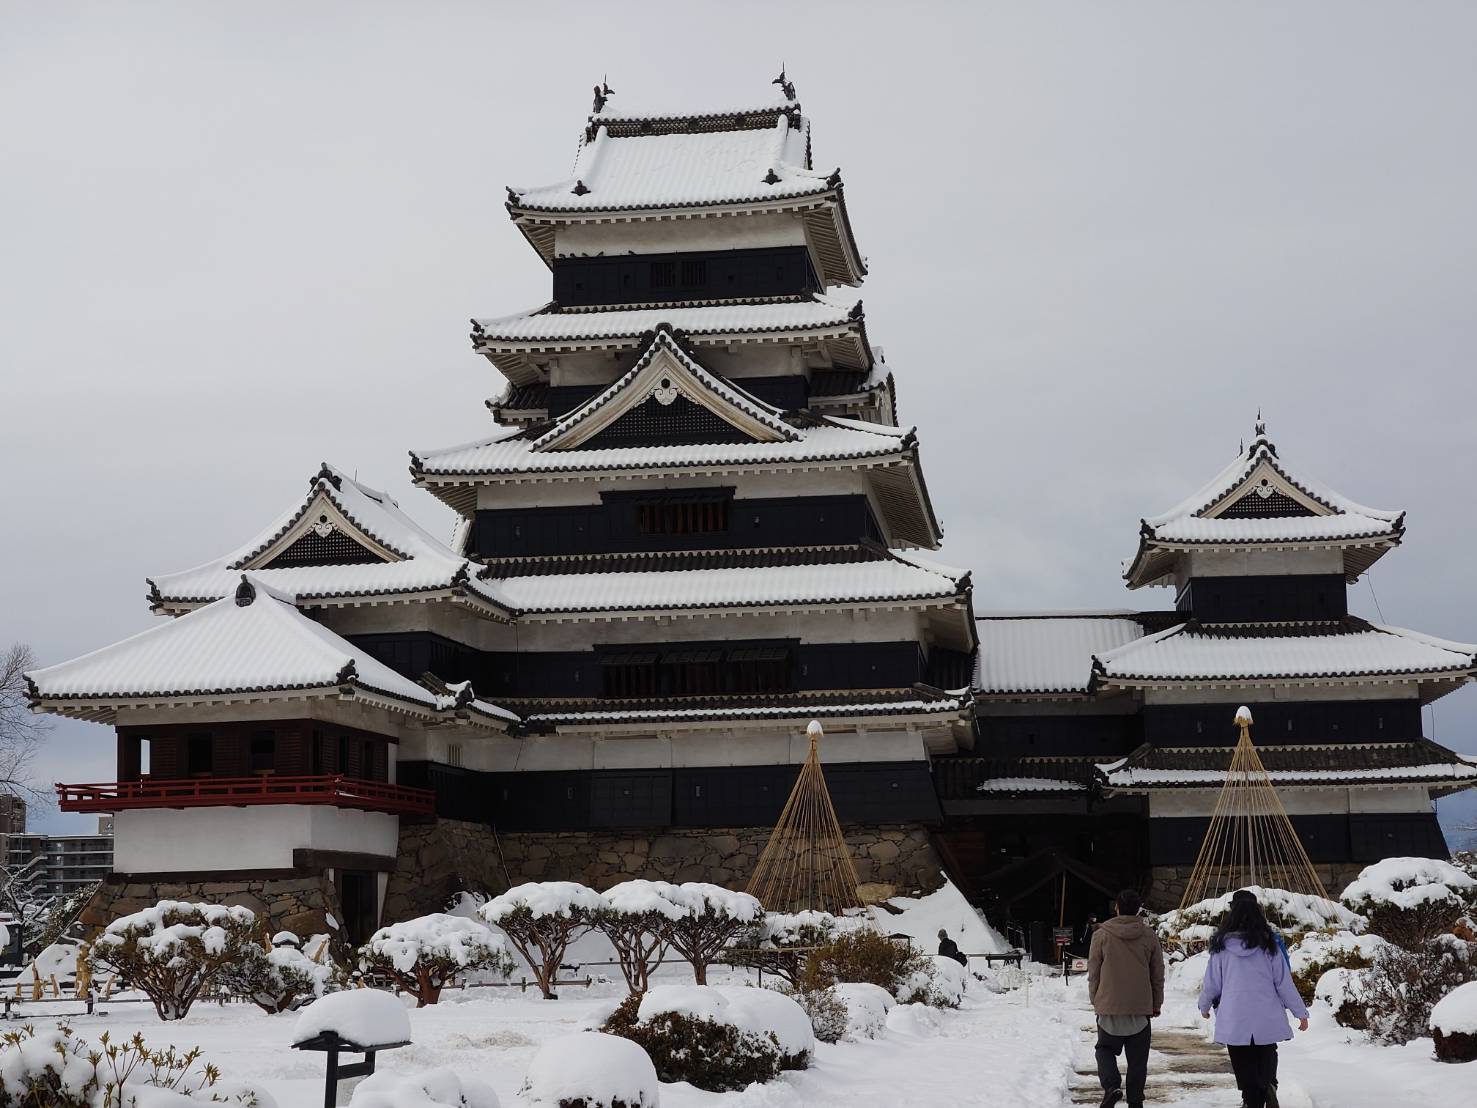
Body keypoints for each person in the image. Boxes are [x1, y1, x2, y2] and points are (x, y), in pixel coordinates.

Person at [1197, 891, 1310, 1108]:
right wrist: (1300, 1013)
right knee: (1266, 1055)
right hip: (1266, 1016)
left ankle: (1252, 1098)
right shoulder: (1270, 947)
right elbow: (1284, 984)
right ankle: (1267, 1084)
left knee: (1243, 1063)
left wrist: (1204, 1006)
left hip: (1234, 1017)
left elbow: (1212, 983)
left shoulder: (1221, 949)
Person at [1087, 889, 1164, 1108]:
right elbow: (1157, 973)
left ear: (1117, 908)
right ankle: (1135, 1101)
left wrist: (1096, 1000)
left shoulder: (1101, 934)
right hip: (1140, 1008)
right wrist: (1156, 1003)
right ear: (1139, 909)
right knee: (1138, 1061)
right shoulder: (1148, 935)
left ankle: (1112, 1087)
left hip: (1109, 1006)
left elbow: (1094, 972)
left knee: (1104, 1050)